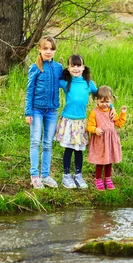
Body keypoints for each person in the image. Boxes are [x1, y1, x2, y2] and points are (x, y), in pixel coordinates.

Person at [24, 36, 63, 189]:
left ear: (55, 51)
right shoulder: (35, 67)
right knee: (35, 141)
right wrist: (28, 112)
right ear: (39, 49)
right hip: (36, 110)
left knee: (47, 143)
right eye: (45, 48)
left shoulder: (58, 67)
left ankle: (45, 175)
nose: (48, 51)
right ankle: (34, 175)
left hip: (52, 111)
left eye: (51, 49)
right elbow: (30, 90)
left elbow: (68, 83)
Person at [55, 55, 98, 189]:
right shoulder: (65, 82)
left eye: (78, 65)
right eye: (72, 66)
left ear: (83, 67)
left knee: (79, 150)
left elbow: (101, 96)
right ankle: (66, 176)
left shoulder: (88, 83)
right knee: (69, 149)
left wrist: (112, 108)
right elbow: (52, 80)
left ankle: (78, 175)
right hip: (68, 120)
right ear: (68, 68)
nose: (76, 68)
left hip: (81, 122)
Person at [87, 85, 127, 191]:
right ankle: (98, 179)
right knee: (100, 161)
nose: (104, 104)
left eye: (107, 102)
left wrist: (122, 113)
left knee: (109, 160)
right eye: (102, 102)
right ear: (96, 100)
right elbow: (89, 126)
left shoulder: (111, 111)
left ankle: (108, 179)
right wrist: (95, 130)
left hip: (110, 141)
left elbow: (119, 124)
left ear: (111, 100)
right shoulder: (94, 112)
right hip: (100, 141)